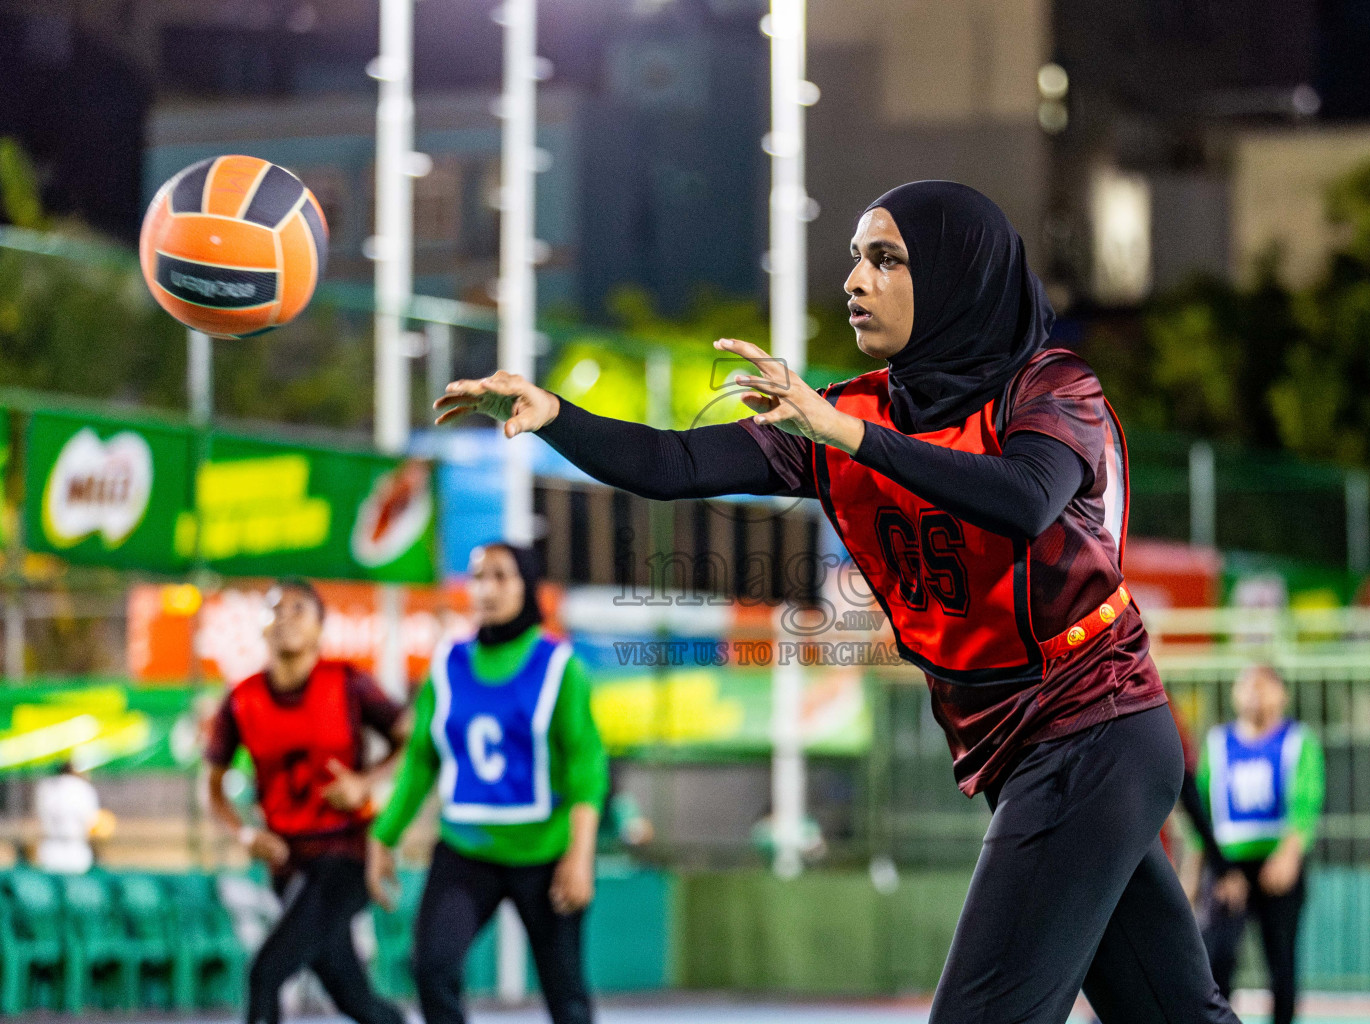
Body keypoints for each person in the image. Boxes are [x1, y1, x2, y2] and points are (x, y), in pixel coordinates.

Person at [434, 181, 1238, 1024]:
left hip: (1092, 726)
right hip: (1024, 745)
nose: (855, 280)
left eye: (885, 259)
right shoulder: (849, 412)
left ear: (958, 278)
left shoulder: (1047, 388)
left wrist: (844, 434)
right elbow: (675, 465)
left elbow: (1024, 497)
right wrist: (554, 413)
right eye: (855, 257)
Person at [367, 543, 607, 1024]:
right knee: (431, 969)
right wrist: (382, 836)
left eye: (501, 576)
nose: (487, 588)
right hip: (466, 850)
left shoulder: (559, 667)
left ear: (527, 587)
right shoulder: (448, 665)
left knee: (567, 997)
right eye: (478, 577)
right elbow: (421, 760)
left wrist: (580, 855)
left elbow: (587, 767)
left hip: (544, 854)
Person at [204, 579, 409, 1024]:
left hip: (348, 854)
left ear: (320, 627)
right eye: (275, 609)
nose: (285, 618)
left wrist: (366, 781)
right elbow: (213, 789)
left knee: (266, 973)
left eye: (299, 609)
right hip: (288, 862)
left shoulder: (347, 683)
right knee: (354, 999)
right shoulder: (242, 700)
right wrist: (244, 832)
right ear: (260, 628)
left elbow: (411, 740)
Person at [1195, 664, 1324, 1024]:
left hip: (1278, 864)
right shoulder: (1218, 744)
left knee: (1281, 963)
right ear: (1235, 694)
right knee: (1216, 962)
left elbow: (1306, 803)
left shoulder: (1299, 741)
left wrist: (1289, 855)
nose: (1256, 693)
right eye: (1248, 685)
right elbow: (1201, 813)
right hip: (1226, 867)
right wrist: (1203, 871)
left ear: (1283, 694)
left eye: (1265, 686)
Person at [34, 759, 102, 874]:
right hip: (76, 851)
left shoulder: (46, 787)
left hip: (50, 851)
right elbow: (92, 823)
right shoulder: (83, 789)